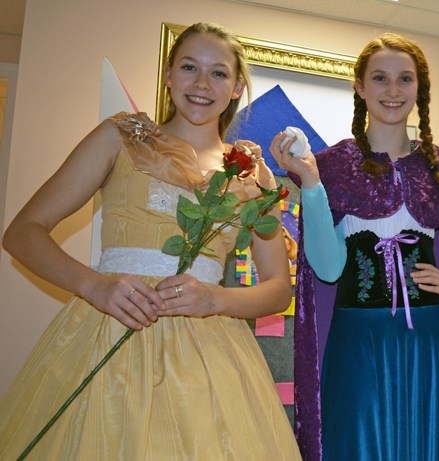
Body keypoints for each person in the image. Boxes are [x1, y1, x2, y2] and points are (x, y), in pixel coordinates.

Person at [0, 22, 301, 460]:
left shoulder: (254, 174)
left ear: (237, 87)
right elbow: (22, 232)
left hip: (211, 359)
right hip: (106, 333)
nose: (202, 84)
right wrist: (95, 286)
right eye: (189, 67)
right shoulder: (118, 138)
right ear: (168, 74)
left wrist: (214, 299)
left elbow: (278, 288)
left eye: (219, 73)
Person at [270, 33, 439, 461]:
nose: (393, 91)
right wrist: (312, 186)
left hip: (429, 340)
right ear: (359, 86)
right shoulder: (331, 167)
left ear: (419, 90)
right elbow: (328, 268)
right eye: (380, 78)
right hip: (358, 339)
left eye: (405, 79)